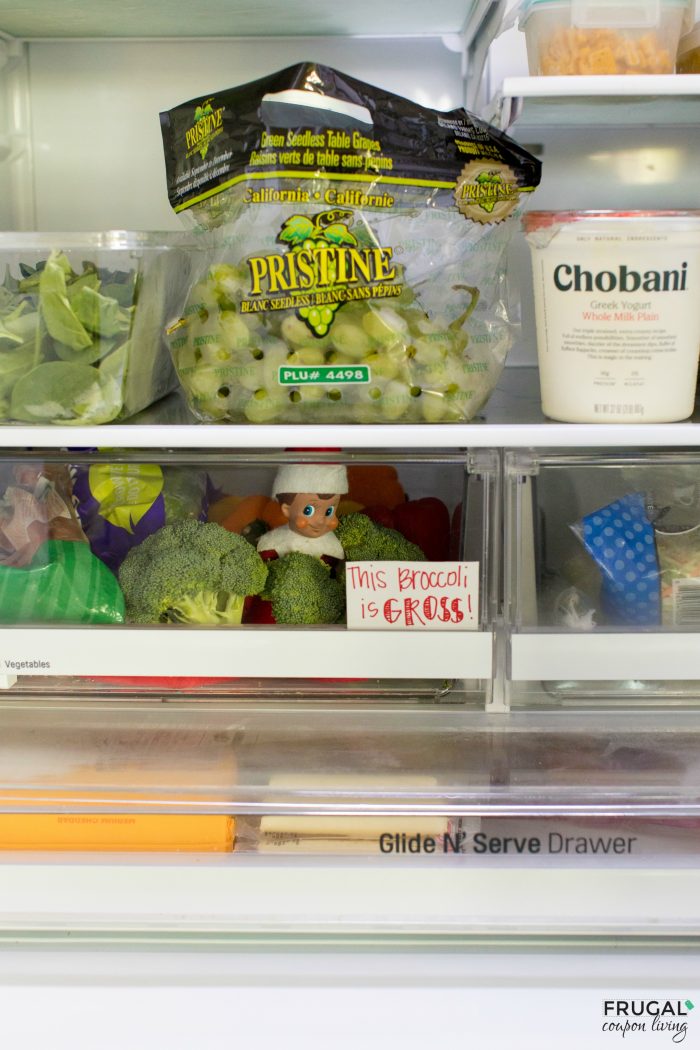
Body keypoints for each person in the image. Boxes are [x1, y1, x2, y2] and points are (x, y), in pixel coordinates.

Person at [257, 463, 348, 560]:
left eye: (329, 511)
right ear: (286, 510)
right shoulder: (273, 544)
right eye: (308, 511)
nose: (321, 521)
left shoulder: (333, 547)